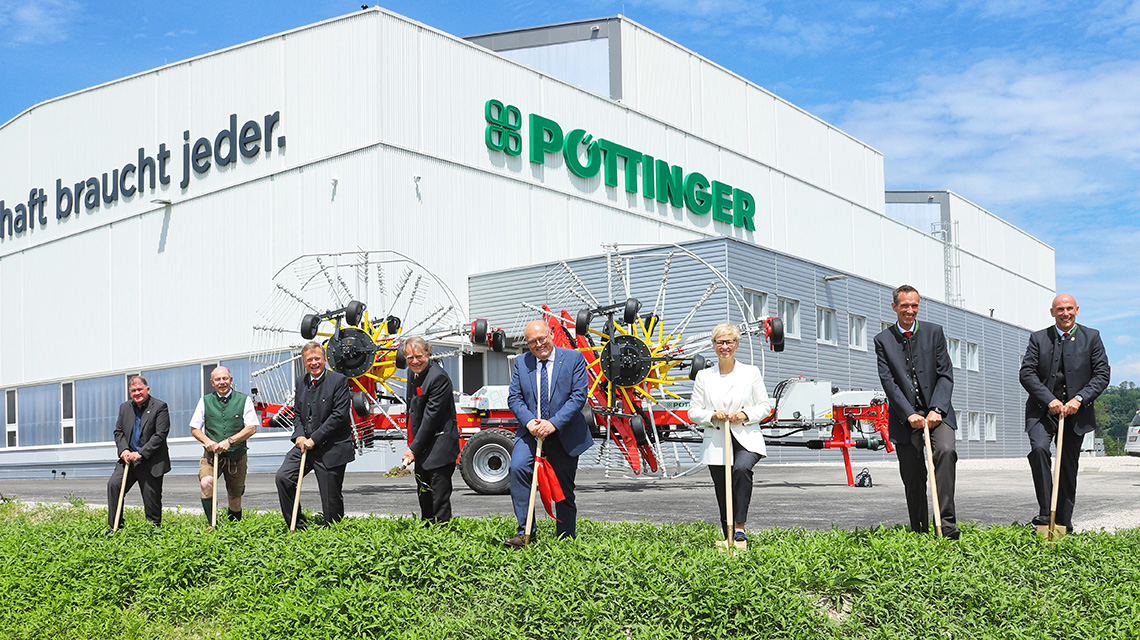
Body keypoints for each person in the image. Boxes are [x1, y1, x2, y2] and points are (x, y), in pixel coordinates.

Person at [873, 284, 960, 539]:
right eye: (904, 306)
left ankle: (946, 526)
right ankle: (920, 530)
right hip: (905, 416)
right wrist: (909, 413)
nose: (910, 311)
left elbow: (946, 374)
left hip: (938, 412)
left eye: (914, 306)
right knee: (913, 474)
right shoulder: (883, 340)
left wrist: (936, 409)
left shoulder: (934, 333)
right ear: (895, 307)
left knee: (945, 451)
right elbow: (888, 381)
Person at [1018, 293, 1110, 533]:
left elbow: (1102, 375)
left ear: (1077, 310)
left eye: (1069, 308)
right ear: (1052, 312)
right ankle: (1045, 513)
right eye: (1060, 309)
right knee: (1038, 450)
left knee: (1068, 466)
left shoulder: (1092, 337)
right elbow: (1027, 373)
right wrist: (1049, 400)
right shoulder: (1038, 339)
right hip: (1042, 411)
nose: (1065, 313)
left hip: (1075, 413)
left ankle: (1063, 523)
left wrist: (1079, 399)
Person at [503, 319, 592, 548]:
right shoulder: (522, 363)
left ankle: (565, 538)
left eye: (542, 339)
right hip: (531, 432)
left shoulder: (573, 359)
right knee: (518, 469)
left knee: (563, 487)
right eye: (533, 342)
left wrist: (553, 423)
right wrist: (530, 422)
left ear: (550, 334)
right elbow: (515, 397)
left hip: (564, 431)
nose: (538, 345)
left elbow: (578, 397)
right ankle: (525, 533)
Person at [687, 323, 771, 543]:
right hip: (717, 440)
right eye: (720, 342)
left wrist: (744, 414)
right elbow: (693, 411)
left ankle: (740, 526)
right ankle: (729, 539)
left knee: (741, 469)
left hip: (746, 438)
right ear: (714, 345)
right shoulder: (704, 377)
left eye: (729, 342)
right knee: (722, 488)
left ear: (736, 344)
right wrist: (713, 416)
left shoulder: (750, 372)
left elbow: (765, 405)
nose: (724, 346)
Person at [274, 341, 356, 529]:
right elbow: (297, 413)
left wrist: (314, 439)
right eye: (309, 360)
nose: (314, 363)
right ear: (304, 362)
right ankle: (297, 525)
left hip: (331, 448)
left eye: (317, 358)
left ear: (324, 359)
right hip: (305, 445)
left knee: (330, 500)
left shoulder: (339, 381)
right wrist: (300, 436)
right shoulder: (301, 382)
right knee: (283, 478)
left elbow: (339, 415)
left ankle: (333, 536)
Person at [189, 366, 259, 526]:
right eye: (218, 379)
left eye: (225, 378)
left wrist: (230, 441)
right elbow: (194, 428)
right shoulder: (205, 401)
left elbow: (251, 428)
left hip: (237, 455)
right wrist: (207, 441)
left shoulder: (244, 400)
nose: (222, 382)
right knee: (206, 483)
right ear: (212, 382)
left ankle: (233, 529)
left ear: (231, 380)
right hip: (211, 456)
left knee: (235, 498)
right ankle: (211, 525)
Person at [401, 337, 460, 524]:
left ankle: (443, 542)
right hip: (423, 447)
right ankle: (427, 539)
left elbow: (430, 419)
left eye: (419, 356)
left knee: (439, 501)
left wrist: (413, 449)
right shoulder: (413, 374)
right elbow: (413, 410)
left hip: (439, 447)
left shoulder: (438, 378)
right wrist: (413, 444)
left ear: (428, 353)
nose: (415, 361)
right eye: (410, 357)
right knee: (424, 497)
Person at [106, 376, 171, 530]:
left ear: (147, 389)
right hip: (128, 460)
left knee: (151, 501)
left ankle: (153, 532)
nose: (137, 393)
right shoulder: (124, 407)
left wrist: (141, 453)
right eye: (133, 390)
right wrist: (124, 450)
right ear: (129, 392)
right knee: (114, 485)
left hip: (150, 461)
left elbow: (160, 435)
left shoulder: (160, 407)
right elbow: (119, 431)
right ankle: (115, 527)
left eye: (140, 389)